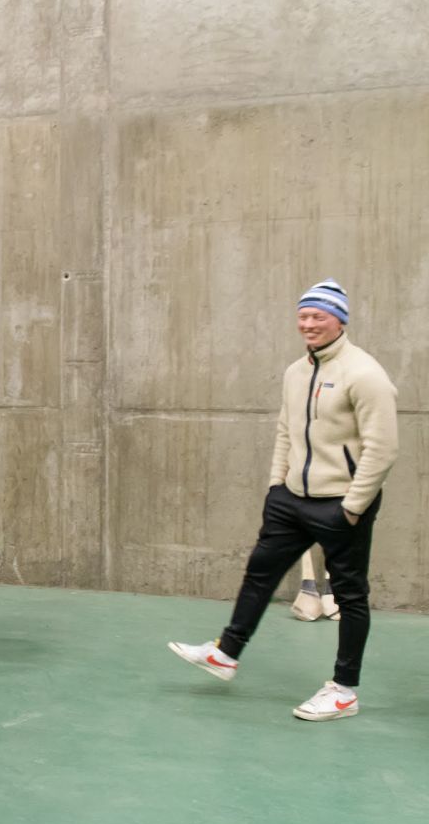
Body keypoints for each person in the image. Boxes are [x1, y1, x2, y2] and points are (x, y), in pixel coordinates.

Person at [169, 279, 398, 721]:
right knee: (260, 573)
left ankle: (344, 690)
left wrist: (353, 505)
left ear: (340, 320)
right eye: (304, 316)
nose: (308, 324)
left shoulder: (365, 374)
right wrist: (277, 486)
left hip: (340, 504)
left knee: (350, 596)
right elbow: (285, 431)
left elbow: (382, 448)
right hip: (291, 500)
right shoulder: (296, 372)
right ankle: (226, 654)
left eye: (319, 317)